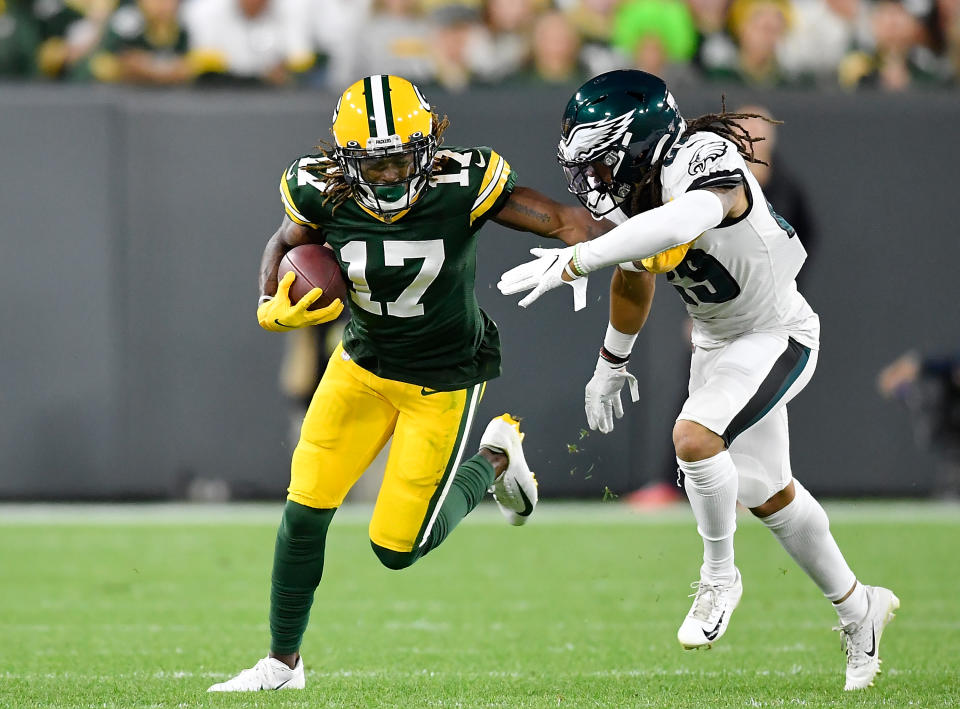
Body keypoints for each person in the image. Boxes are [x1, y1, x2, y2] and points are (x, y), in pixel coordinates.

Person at [498, 69, 899, 691]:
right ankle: (858, 608)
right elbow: (636, 273)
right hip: (717, 341)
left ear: (638, 139)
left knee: (694, 438)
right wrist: (612, 361)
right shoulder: (628, 192)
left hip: (776, 331)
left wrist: (576, 256)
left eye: (601, 160)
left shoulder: (702, 156)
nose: (594, 180)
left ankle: (719, 577)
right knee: (770, 492)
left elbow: (678, 224)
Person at [208, 73, 606, 692]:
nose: (390, 175)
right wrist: (269, 299)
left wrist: (610, 249)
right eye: (375, 163)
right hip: (360, 368)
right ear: (345, 161)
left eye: (401, 159)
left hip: (441, 381)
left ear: (429, 147)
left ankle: (495, 461)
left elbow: (562, 218)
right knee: (303, 513)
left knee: (396, 548)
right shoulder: (317, 188)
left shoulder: (463, 183)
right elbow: (286, 241)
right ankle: (282, 665)